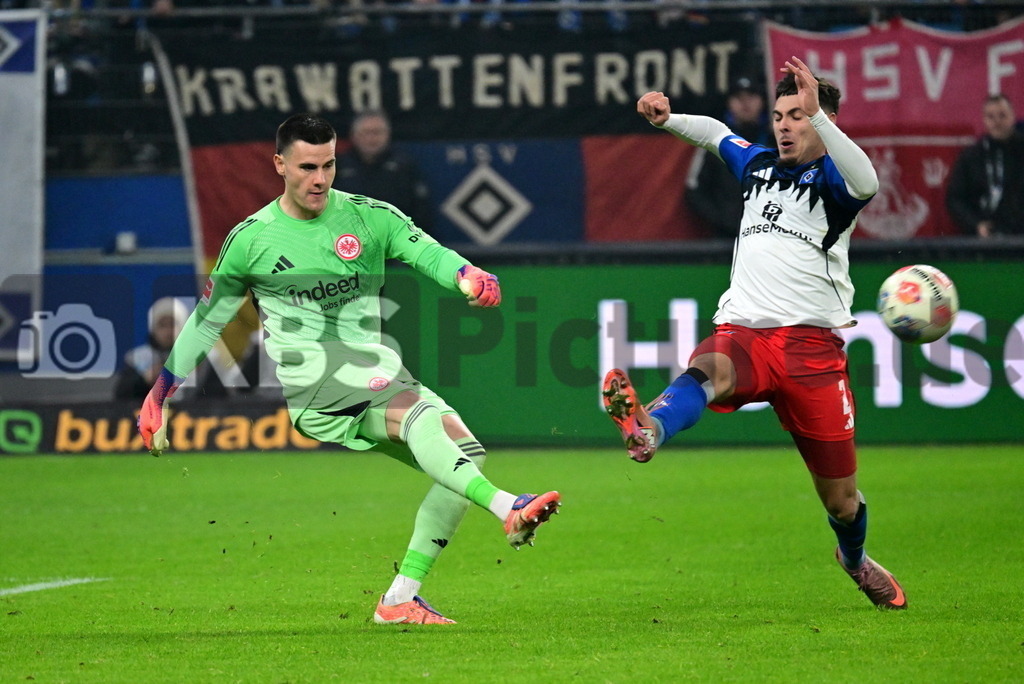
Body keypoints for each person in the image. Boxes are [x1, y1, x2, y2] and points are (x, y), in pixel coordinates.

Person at [137, 113, 561, 625]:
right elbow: (208, 321)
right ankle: (507, 509)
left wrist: (465, 274)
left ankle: (400, 598)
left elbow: (426, 251)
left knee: (465, 452)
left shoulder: (369, 217)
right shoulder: (251, 239)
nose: (320, 178)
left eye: (329, 164)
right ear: (280, 165)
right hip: (314, 377)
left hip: (369, 366)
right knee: (417, 411)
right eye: (307, 166)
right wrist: (160, 393)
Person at [603, 57, 907, 610]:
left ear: (825, 120)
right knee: (707, 370)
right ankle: (650, 430)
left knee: (842, 502)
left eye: (798, 115)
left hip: (812, 352)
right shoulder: (759, 166)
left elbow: (869, 180)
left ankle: (855, 559)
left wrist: (823, 119)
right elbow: (718, 135)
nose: (785, 125)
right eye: (779, 115)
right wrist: (668, 118)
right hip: (745, 332)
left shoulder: (839, 185)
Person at [686, 77, 774, 239]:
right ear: (729, 103)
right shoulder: (714, 141)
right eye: (739, 98)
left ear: (762, 101)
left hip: (770, 236)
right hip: (725, 237)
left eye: (751, 97)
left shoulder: (776, 140)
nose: (745, 104)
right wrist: (724, 221)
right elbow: (694, 190)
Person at [335, 109, 435, 230]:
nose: (371, 138)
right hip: (349, 236)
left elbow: (421, 210)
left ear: (388, 134)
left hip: (395, 236)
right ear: (354, 135)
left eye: (377, 132)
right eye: (366, 132)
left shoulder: (404, 165)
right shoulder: (338, 165)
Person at [114, 296, 227, 400]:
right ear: (153, 329)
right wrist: (144, 380)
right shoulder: (138, 359)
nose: (168, 332)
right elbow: (120, 398)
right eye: (162, 325)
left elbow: (220, 398)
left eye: (173, 324)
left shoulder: (203, 357)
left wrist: (197, 378)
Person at [945, 94, 1024, 238]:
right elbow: (955, 198)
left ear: (1013, 116)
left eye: (1002, 115)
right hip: (985, 240)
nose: (997, 122)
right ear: (984, 120)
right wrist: (975, 224)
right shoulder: (972, 156)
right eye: (991, 117)